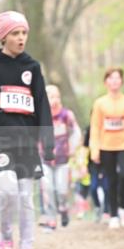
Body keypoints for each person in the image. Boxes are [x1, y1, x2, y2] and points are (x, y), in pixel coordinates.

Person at [0, 10, 54, 249]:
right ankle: (5, 239)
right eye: (15, 33)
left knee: (25, 197)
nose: (21, 38)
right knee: (7, 191)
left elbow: (42, 104)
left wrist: (47, 141)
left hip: (26, 142)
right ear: (3, 37)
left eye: (24, 33)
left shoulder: (32, 67)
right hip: (1, 141)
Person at [89, 67, 124, 229]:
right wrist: (94, 149)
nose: (114, 81)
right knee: (110, 180)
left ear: (122, 82)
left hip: (123, 145)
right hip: (105, 146)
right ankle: (113, 214)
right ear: (106, 82)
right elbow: (95, 127)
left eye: (117, 78)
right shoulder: (99, 103)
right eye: (111, 78)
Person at [42, 84, 81, 228]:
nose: (55, 100)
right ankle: (51, 217)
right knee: (48, 189)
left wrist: (72, 147)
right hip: (45, 159)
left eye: (57, 96)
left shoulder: (66, 115)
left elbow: (76, 132)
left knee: (61, 189)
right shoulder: (40, 115)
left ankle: (64, 208)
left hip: (63, 158)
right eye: (51, 97)